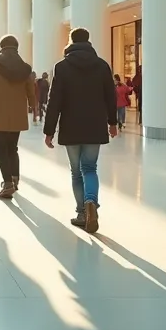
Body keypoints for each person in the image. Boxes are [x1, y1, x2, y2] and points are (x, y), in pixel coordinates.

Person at [43, 27, 116, 233]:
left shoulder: (62, 67)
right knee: (90, 168)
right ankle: (91, 201)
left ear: (70, 41)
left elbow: (54, 100)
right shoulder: (102, 66)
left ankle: (82, 212)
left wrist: (49, 131)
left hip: (71, 126)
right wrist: (112, 122)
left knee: (76, 171)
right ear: (89, 41)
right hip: (95, 125)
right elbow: (110, 96)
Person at [0, 35, 36, 200]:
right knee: (12, 147)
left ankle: (7, 184)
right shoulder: (25, 67)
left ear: (1, 46)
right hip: (18, 113)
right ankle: (14, 178)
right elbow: (30, 89)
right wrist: (33, 106)